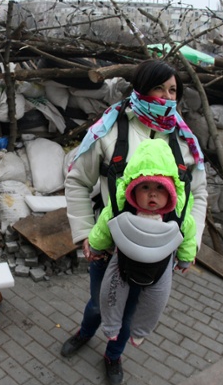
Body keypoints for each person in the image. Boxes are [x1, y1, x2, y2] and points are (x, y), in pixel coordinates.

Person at [62, 59, 208, 385]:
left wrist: (190, 244)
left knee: (129, 314)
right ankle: (86, 332)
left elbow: (198, 196)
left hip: (158, 255)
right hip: (108, 249)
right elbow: (76, 182)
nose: (167, 96)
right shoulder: (110, 130)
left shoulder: (184, 141)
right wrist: (86, 232)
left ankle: (113, 356)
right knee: (101, 305)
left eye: (173, 90)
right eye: (159, 87)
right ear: (141, 87)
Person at [89, 138, 196, 346]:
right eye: (145, 187)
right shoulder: (121, 206)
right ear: (133, 189)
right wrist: (96, 245)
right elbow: (104, 224)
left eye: (160, 187)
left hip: (162, 265)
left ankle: (140, 331)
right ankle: (110, 326)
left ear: (172, 190)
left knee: (157, 300)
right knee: (110, 291)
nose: (152, 193)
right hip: (123, 259)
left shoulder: (179, 214)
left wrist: (185, 257)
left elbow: (189, 233)